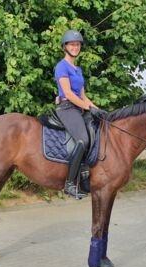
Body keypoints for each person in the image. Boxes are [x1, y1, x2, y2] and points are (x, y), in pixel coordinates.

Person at [54, 29, 98, 198]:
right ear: (65, 46)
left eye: (78, 44)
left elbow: (82, 95)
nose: (75, 47)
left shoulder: (78, 69)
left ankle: (85, 175)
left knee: (95, 132)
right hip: (66, 108)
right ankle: (70, 184)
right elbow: (69, 94)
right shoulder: (61, 66)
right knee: (83, 139)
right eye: (72, 44)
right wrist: (87, 108)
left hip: (78, 106)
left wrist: (97, 109)